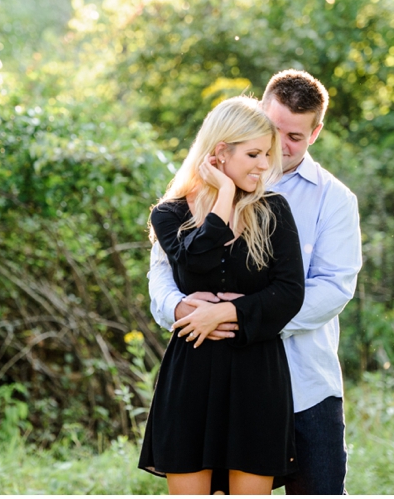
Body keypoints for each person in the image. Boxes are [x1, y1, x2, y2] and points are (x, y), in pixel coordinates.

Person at [148, 69, 363, 495]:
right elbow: (164, 271)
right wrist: (184, 311)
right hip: (205, 373)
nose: (278, 149)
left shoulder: (331, 199)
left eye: (295, 138)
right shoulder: (191, 194)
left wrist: (233, 317)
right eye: (271, 131)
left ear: (315, 133)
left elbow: (332, 289)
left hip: (303, 382)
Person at [138, 96, 306, 495]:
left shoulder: (274, 210)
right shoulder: (169, 214)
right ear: (219, 153)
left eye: (267, 154)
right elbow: (194, 264)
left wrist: (226, 313)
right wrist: (225, 195)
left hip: (256, 375)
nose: (265, 165)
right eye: (254, 154)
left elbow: (289, 293)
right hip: (191, 373)